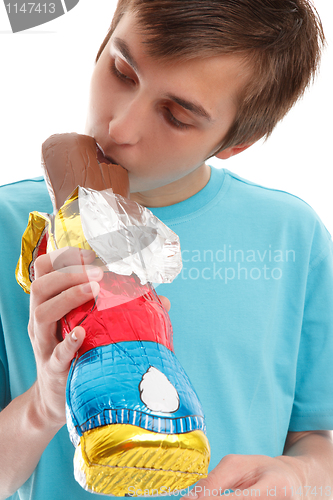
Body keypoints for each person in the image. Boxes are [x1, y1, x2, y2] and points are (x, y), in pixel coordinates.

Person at [1, 0, 332, 499]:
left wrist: (300, 477)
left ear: (236, 141)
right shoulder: (11, 225)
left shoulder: (291, 236)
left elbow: (314, 440)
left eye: (176, 115)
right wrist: (43, 407)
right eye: (121, 71)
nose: (120, 129)